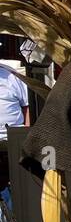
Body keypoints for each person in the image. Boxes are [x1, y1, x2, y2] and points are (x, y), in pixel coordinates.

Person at [0, 60, 30, 207]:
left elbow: (27, 105)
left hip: (14, 141)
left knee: (19, 191)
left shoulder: (12, 77)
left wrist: (27, 133)